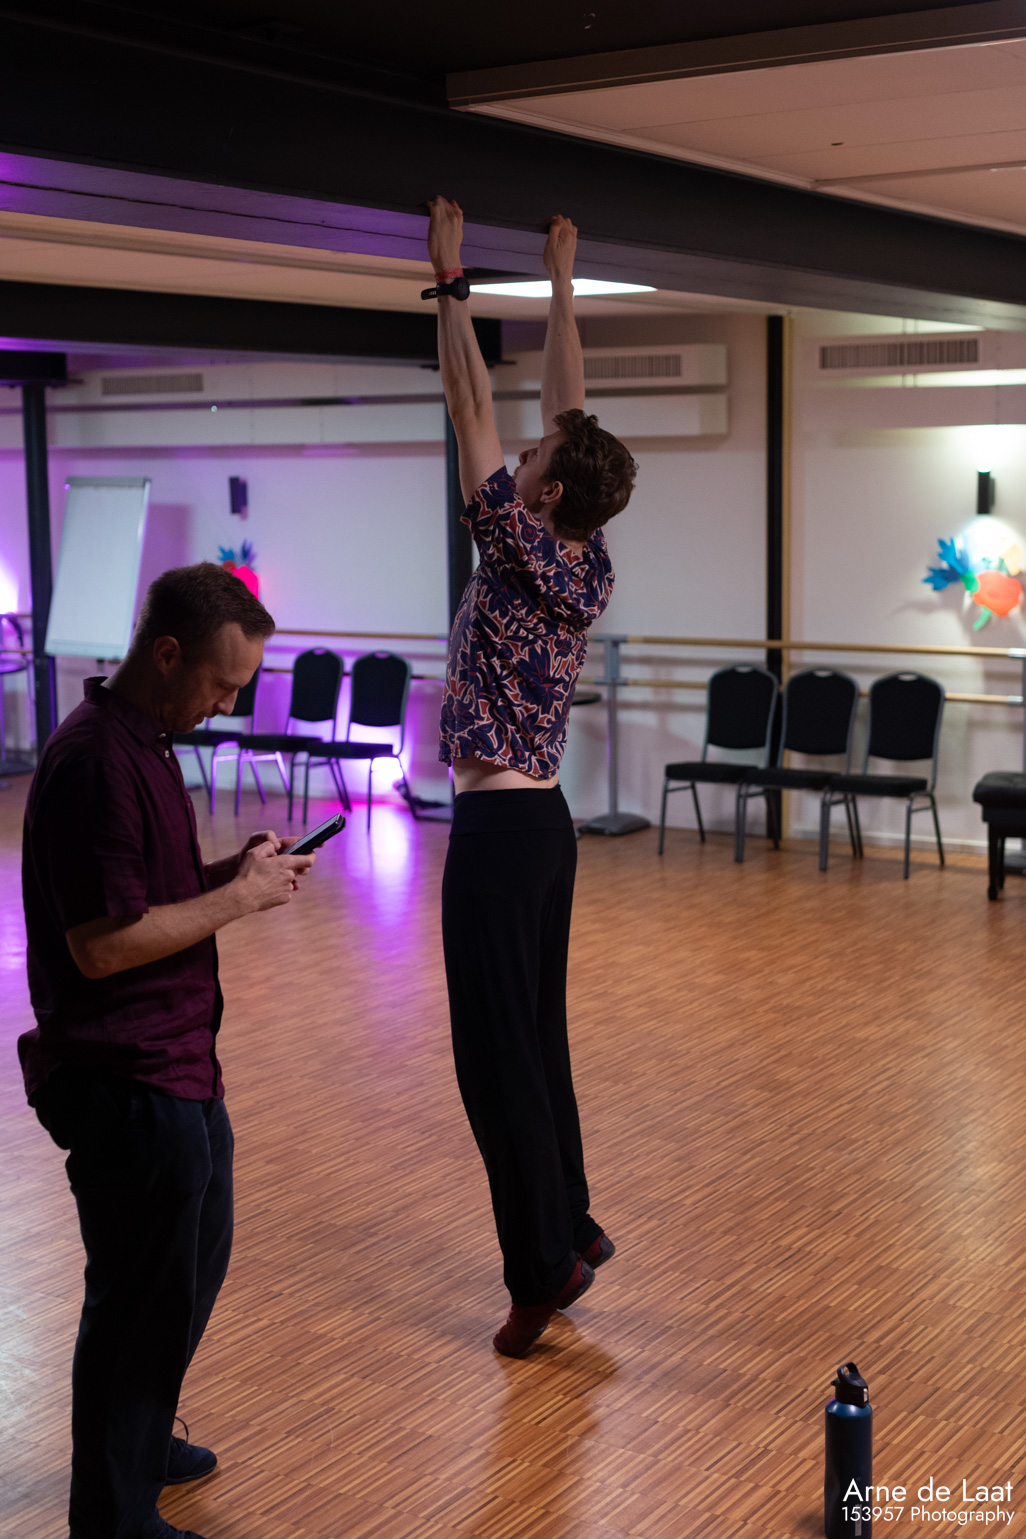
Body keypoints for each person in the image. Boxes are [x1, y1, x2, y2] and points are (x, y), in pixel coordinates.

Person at [19, 563, 316, 1539]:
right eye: (221, 684)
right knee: (136, 1299)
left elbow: (149, 892)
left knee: (188, 1270)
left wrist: (233, 870)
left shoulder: (147, 742)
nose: (227, 704)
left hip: (179, 1063)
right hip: (123, 1074)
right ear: (167, 653)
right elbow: (102, 946)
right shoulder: (95, 761)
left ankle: (139, 1441)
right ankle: (114, 1514)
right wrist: (236, 900)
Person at [429, 196, 638, 1357]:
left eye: (537, 462)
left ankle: (541, 1267)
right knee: (535, 1038)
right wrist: (562, 279)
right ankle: (571, 1225)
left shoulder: (514, 538)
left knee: (495, 1059)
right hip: (543, 828)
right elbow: (568, 409)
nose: (525, 455)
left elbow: (470, 403)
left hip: (502, 837)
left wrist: (452, 280)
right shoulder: (586, 556)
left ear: (545, 494)